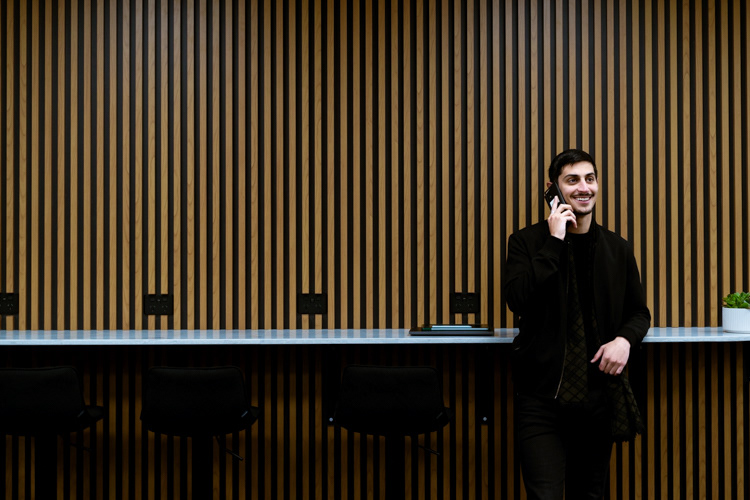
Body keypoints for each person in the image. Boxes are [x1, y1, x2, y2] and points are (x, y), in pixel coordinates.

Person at [503, 149, 651, 500]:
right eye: (572, 180)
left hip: (597, 400)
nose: (584, 188)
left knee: (590, 495)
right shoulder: (526, 242)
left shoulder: (617, 248)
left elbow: (638, 313)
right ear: (553, 189)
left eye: (590, 179)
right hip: (541, 400)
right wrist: (554, 242)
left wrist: (624, 341)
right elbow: (517, 300)